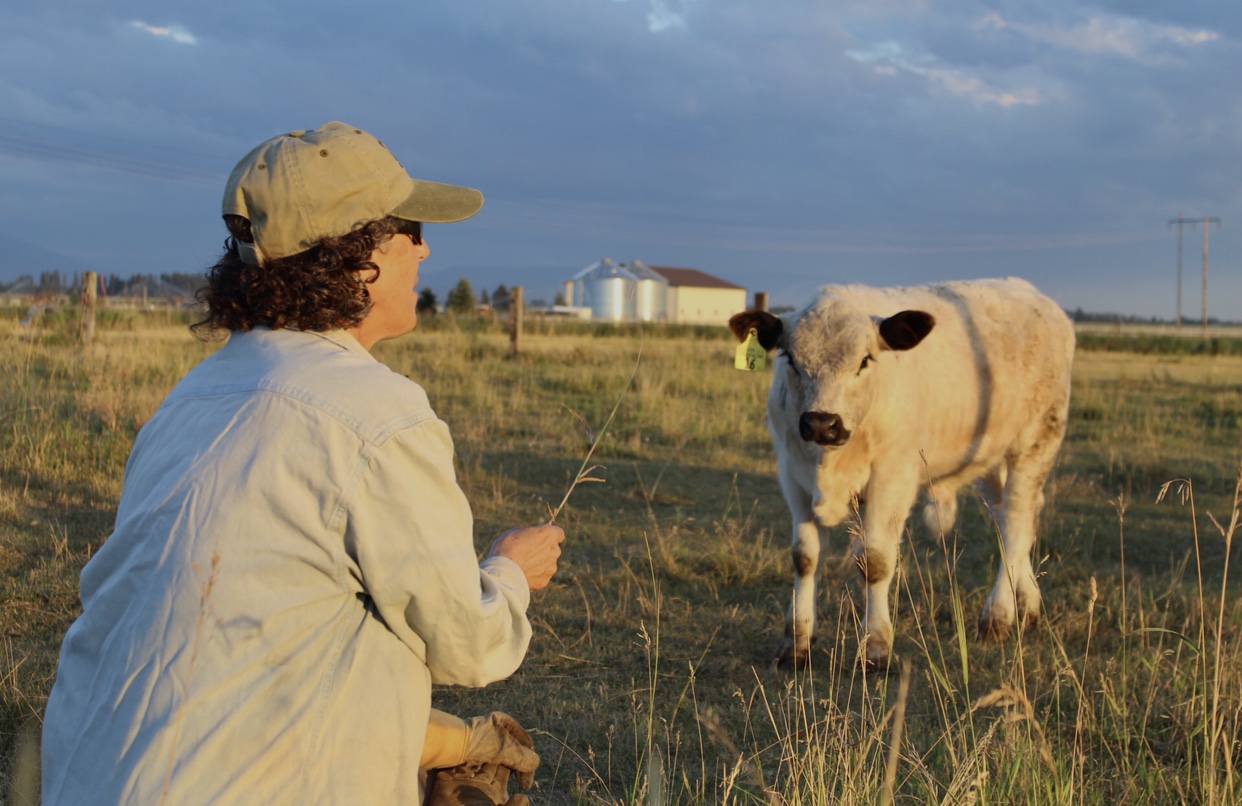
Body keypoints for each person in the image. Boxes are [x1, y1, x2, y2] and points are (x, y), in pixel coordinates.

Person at [40, 121, 565, 804]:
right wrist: (509, 573)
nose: (426, 248)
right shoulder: (377, 413)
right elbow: (469, 644)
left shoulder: (193, 396)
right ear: (356, 253)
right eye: (410, 227)